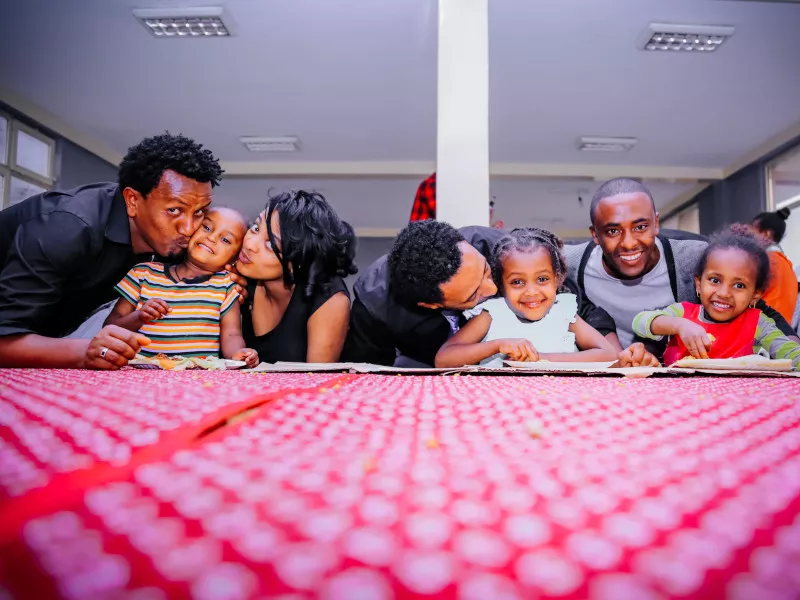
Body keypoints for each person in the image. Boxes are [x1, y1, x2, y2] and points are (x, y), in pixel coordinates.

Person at [0, 133, 223, 369]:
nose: (189, 228)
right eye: (175, 210)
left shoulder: (168, 239)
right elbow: (5, 339)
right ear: (133, 201)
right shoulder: (67, 227)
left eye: (199, 212)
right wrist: (85, 351)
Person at [563, 177, 797, 365]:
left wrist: (790, 343)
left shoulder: (692, 258)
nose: (629, 243)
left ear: (656, 223)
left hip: (672, 374)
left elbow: (755, 307)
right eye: (613, 231)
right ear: (595, 234)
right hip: (606, 374)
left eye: (641, 227)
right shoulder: (569, 264)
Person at [343, 220, 624, 367]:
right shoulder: (377, 305)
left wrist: (619, 358)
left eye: (486, 273)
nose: (493, 291)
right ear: (429, 305)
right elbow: (367, 372)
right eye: (472, 296)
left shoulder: (503, 251)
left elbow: (579, 307)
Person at [436, 228, 617, 367]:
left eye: (542, 279)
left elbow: (609, 355)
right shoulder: (492, 314)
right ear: (501, 284)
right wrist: (497, 345)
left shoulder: (563, 312)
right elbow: (444, 359)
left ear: (558, 278)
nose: (531, 292)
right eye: (517, 282)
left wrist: (541, 360)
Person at [104, 207, 258, 368]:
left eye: (225, 240)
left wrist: (239, 354)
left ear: (235, 257)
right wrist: (139, 316)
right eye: (206, 227)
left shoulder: (226, 285)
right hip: (139, 371)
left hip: (197, 374)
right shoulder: (143, 274)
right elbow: (110, 327)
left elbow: (232, 334)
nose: (211, 238)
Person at [632, 225, 800, 368]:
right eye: (715, 280)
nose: (724, 293)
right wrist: (678, 325)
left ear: (755, 295)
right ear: (698, 283)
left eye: (739, 285)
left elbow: (791, 354)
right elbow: (639, 322)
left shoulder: (758, 324)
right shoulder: (683, 313)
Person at [234, 191, 357, 363]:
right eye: (255, 228)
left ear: (296, 261)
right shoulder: (238, 275)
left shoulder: (328, 299)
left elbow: (317, 382)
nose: (249, 243)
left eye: (270, 244)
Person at [751, 208, 798, 323]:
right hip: (779, 334)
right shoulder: (786, 264)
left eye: (753, 230)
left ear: (767, 234)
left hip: (761, 332)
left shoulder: (765, 262)